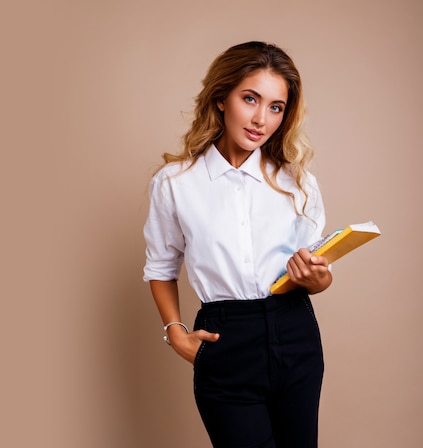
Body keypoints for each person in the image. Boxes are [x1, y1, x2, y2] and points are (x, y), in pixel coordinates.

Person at [143, 41, 332, 448]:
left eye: (276, 107)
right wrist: (175, 333)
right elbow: (160, 268)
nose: (261, 118)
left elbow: (318, 276)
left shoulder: (296, 183)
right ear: (221, 98)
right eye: (250, 99)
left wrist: (316, 278)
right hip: (226, 338)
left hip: (295, 329)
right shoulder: (176, 183)